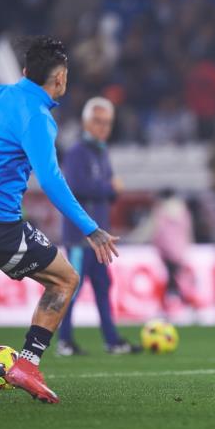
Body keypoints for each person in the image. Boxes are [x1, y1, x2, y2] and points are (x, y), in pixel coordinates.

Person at [0, 37, 119, 404]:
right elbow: (51, 180)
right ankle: (28, 364)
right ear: (61, 79)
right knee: (64, 279)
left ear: (24, 72)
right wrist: (91, 228)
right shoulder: (38, 119)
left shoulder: (0, 95)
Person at [57, 97, 140, 355]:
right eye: (98, 121)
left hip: (100, 236)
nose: (103, 127)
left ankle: (111, 339)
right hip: (81, 236)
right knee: (72, 286)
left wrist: (111, 191)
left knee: (103, 287)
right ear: (85, 122)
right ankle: (64, 340)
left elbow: (105, 191)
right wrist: (110, 188)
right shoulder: (77, 152)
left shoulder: (101, 151)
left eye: (107, 123)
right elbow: (76, 187)